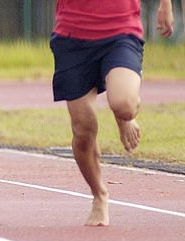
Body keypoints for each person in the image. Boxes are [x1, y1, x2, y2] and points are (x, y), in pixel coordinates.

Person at [51, 0, 175, 226]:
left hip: (120, 31)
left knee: (124, 105)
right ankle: (99, 194)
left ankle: (123, 117)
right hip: (72, 36)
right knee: (83, 130)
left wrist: (165, 5)